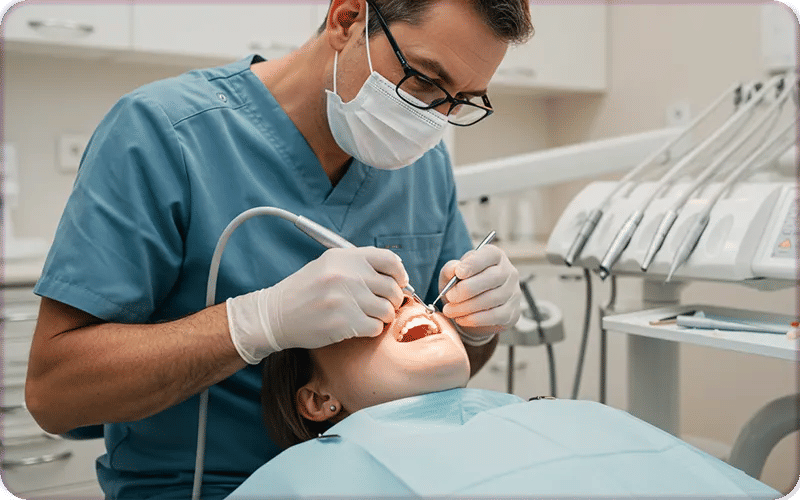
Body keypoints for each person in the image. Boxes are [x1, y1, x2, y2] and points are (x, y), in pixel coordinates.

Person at [25, 1, 532, 498]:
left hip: (383, 478)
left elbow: (429, 372)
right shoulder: (165, 133)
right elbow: (55, 395)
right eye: (423, 79)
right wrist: (253, 323)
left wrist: (475, 326)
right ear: (347, 18)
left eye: (463, 100)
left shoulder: (423, 165)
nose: (433, 117)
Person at [230, 293, 779, 498]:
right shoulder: (306, 478)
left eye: (415, 296)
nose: (412, 306)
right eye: (367, 312)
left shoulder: (566, 415)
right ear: (317, 399)